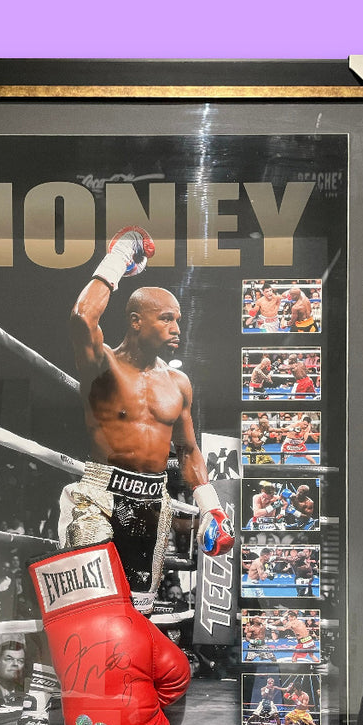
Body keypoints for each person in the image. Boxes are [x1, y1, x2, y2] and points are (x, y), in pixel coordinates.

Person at [61, 225, 233, 612]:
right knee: (93, 608)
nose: (177, 328)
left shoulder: (178, 382)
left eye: (179, 320)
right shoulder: (102, 366)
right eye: (167, 319)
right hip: (101, 496)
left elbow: (188, 451)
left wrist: (211, 508)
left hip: (153, 502)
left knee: (138, 612)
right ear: (137, 321)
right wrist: (121, 254)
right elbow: (81, 318)